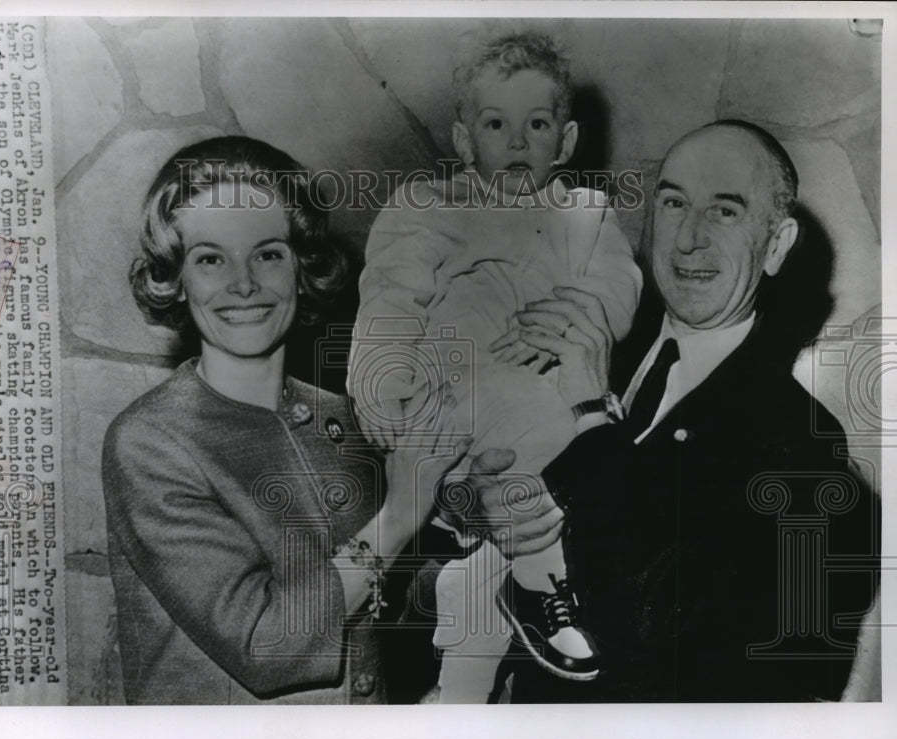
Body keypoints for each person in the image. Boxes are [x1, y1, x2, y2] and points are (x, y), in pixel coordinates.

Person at [487, 120, 878, 702]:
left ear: (776, 245)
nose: (688, 238)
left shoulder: (803, 446)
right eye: (673, 202)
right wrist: (481, 506)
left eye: (724, 211)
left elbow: (659, 622)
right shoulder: (595, 349)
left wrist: (594, 415)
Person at [102, 136, 476, 704]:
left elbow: (389, 599)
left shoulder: (343, 417)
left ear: (302, 268)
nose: (243, 282)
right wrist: (401, 514)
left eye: (267, 253)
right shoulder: (150, 443)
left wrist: (475, 521)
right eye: (210, 258)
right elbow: (266, 644)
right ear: (176, 278)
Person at [348, 32, 642, 702]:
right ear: (462, 139)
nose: (516, 142)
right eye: (495, 124)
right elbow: (391, 293)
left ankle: (499, 611)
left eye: (536, 125)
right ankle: (542, 588)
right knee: (551, 453)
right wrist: (380, 378)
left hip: (531, 403)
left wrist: (572, 315)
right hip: (448, 388)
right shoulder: (430, 206)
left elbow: (617, 285)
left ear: (564, 144)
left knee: (566, 466)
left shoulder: (582, 213)